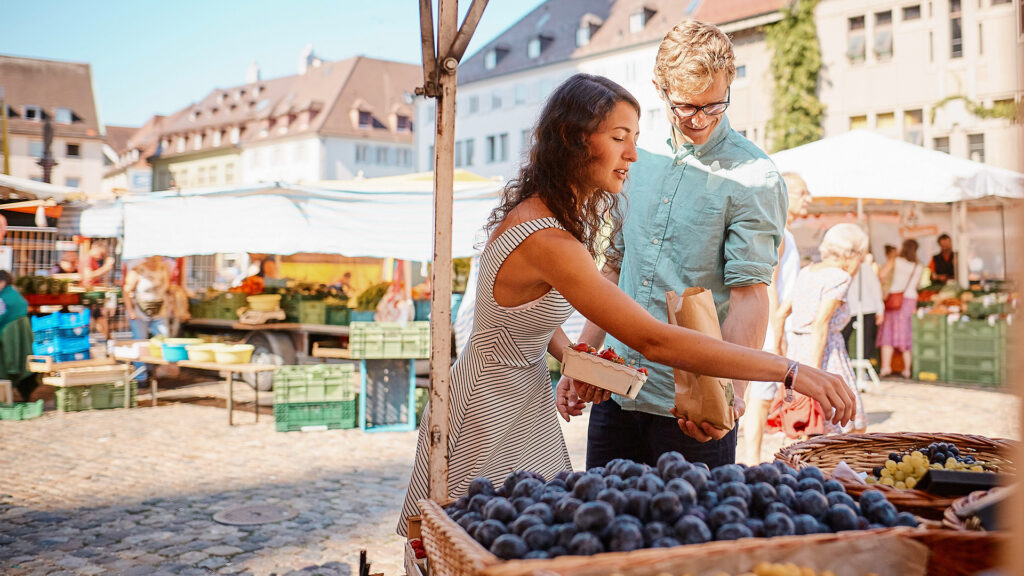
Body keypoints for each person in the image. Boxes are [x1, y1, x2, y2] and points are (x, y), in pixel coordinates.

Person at [397, 74, 854, 535]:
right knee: (488, 543)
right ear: (573, 139)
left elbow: (522, 321)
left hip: (518, 400)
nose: (633, 155)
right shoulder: (549, 239)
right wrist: (789, 370)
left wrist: (575, 358)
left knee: (527, 540)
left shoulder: (546, 217)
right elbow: (652, 339)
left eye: (635, 139)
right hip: (490, 408)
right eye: (619, 139)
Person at [559, 19, 789, 470]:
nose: (700, 120)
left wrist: (732, 398)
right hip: (616, 392)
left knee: (686, 537)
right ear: (659, 89)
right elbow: (614, 269)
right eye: (686, 107)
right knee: (604, 532)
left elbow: (749, 296)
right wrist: (580, 360)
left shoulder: (755, 178)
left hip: (694, 406)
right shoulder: (636, 159)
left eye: (714, 105)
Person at [768, 224, 870, 438]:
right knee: (851, 422)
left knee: (810, 425)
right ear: (851, 254)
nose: (861, 263)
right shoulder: (840, 277)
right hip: (824, 353)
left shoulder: (807, 272)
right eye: (861, 257)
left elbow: (780, 315)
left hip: (797, 352)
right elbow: (820, 324)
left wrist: (780, 349)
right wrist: (815, 373)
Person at [742, 172, 810, 464]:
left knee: (760, 399)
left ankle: (752, 458)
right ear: (786, 194)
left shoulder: (784, 233)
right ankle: (752, 460)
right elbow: (770, 283)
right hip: (769, 326)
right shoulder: (778, 232)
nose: (809, 199)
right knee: (759, 399)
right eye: (803, 193)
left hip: (772, 324)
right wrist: (777, 331)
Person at [877, 239, 923, 379]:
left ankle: (886, 367)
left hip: (895, 300)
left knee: (888, 333)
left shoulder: (895, 261)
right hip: (910, 300)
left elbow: (881, 274)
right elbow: (918, 285)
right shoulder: (918, 266)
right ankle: (907, 370)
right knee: (906, 333)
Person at [124, 256, 171, 379]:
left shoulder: (164, 269)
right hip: (140, 312)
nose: (155, 258)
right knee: (140, 343)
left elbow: (167, 289)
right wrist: (130, 310)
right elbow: (126, 290)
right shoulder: (137, 270)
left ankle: (158, 371)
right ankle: (141, 376)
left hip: (159, 311)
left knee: (163, 340)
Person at [841, 252, 885, 366]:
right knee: (844, 338)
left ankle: (861, 368)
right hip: (853, 309)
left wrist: (880, 308)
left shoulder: (865, 269)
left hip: (864, 308)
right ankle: (845, 364)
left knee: (865, 340)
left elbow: (875, 288)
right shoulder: (842, 269)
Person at [0, 270, 35, 401]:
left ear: (2, 282)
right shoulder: (15, 294)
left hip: (8, 343)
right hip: (22, 343)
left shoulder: (3, 298)